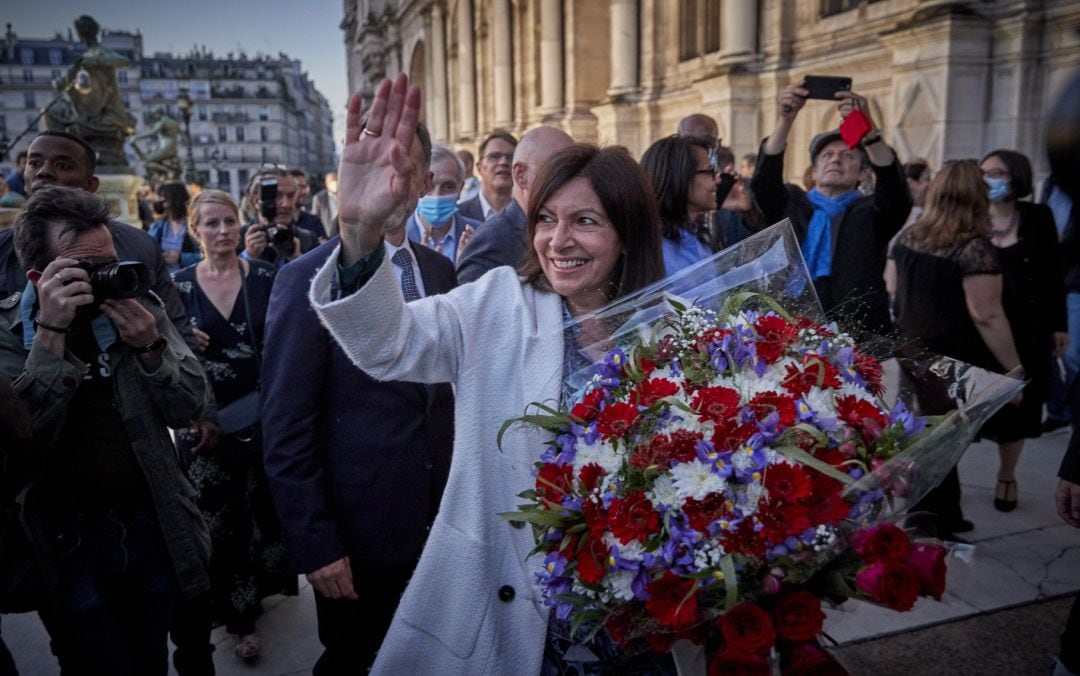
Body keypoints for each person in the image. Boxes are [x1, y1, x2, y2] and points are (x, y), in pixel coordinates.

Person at [307, 74, 667, 674]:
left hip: (635, 620)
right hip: (514, 608)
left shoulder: (673, 330)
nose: (557, 240)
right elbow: (387, 344)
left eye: (585, 221)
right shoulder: (497, 302)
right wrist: (359, 234)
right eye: (546, 218)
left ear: (628, 231)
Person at [263, 119, 457, 674]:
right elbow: (286, 427)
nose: (387, 184)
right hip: (357, 542)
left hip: (441, 531)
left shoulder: (442, 272)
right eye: (375, 169)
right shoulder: (308, 280)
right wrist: (316, 544)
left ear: (423, 181)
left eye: (402, 168)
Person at [2, 186, 209, 674]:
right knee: (91, 661)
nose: (107, 278)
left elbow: (191, 405)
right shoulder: (9, 330)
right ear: (40, 274)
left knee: (149, 658)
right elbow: (21, 437)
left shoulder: (137, 305)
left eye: (109, 261)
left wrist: (151, 347)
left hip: (148, 522)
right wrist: (51, 334)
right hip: (64, 539)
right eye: (85, 269)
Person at [169, 190, 293, 663]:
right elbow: (159, 356)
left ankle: (256, 598)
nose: (222, 231)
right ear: (195, 230)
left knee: (263, 514)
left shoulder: (265, 276)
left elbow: (288, 343)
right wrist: (178, 337)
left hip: (265, 421)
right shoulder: (176, 289)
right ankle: (239, 620)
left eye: (229, 222)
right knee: (219, 525)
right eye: (212, 224)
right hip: (206, 428)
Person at [890, 159, 1023, 538]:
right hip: (950, 356)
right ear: (974, 195)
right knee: (943, 440)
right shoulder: (973, 248)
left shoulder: (911, 235)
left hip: (914, 347)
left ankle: (944, 513)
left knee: (936, 435)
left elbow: (892, 287)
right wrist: (1014, 369)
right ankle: (929, 519)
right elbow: (987, 314)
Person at [750, 81, 911, 335]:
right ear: (813, 172)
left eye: (848, 156)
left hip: (859, 336)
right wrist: (785, 121)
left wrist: (868, 133)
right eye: (827, 155)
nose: (836, 159)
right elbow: (764, 182)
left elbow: (894, 187)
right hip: (790, 328)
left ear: (862, 172)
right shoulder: (793, 203)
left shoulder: (871, 212)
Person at [977, 149, 1067, 511]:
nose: (988, 179)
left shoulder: (1037, 216)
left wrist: (1058, 324)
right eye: (982, 172)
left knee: (1018, 412)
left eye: (996, 172)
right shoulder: (971, 217)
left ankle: (1006, 475)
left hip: (1028, 329)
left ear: (1016, 177)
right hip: (979, 329)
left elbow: (1052, 274)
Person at [456, 126, 573, 283]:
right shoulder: (491, 243)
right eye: (558, 170)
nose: (571, 180)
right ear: (520, 175)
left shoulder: (559, 227)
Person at [44, 15, 137, 170]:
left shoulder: (99, 52)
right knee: (50, 113)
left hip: (106, 111)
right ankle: (61, 154)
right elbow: (64, 82)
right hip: (87, 111)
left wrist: (99, 61)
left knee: (67, 124)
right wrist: (61, 82)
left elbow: (125, 62)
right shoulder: (81, 59)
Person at [641, 134, 722, 276]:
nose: (717, 180)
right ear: (681, 176)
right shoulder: (651, 248)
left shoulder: (697, 237)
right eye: (710, 172)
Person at [406, 145, 481, 264]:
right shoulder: (396, 237)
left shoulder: (480, 235)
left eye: (448, 186)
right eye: (428, 185)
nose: (437, 195)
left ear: (460, 190)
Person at [240, 168, 318, 268]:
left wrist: (297, 259)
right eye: (277, 196)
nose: (286, 204)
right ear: (256, 201)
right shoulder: (236, 239)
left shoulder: (307, 240)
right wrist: (248, 257)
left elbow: (323, 280)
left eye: (291, 196)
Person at [883, 159, 933, 299]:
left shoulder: (927, 213)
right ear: (910, 182)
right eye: (926, 179)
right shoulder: (901, 213)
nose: (930, 184)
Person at [457, 131, 517, 222]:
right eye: (495, 156)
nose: (503, 162)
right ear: (479, 167)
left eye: (510, 157)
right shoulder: (458, 216)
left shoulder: (530, 216)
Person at [149, 182, 201, 273]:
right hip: (165, 280)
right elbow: (148, 248)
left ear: (174, 198)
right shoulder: (159, 226)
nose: (159, 199)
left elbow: (207, 256)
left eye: (163, 195)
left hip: (189, 278)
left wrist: (180, 258)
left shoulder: (193, 225)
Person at [288, 168, 328, 240]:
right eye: (299, 187)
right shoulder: (280, 221)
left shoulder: (314, 221)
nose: (304, 192)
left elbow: (324, 247)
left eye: (305, 187)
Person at [311, 172, 338, 238]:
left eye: (336, 181)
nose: (335, 185)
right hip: (325, 235)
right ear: (327, 184)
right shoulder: (319, 198)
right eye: (332, 182)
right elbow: (315, 217)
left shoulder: (345, 197)